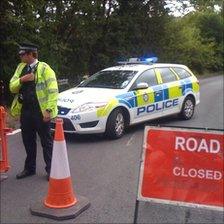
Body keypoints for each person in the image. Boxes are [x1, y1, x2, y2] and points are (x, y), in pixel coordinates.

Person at [9, 43, 58, 180]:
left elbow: (53, 91)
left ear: (31, 54)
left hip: (40, 111)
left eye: (22, 54)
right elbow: (12, 87)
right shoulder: (21, 68)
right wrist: (22, 79)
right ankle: (30, 168)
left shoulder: (44, 68)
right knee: (28, 141)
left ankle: (51, 170)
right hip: (26, 111)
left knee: (46, 142)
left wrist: (48, 110)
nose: (20, 56)